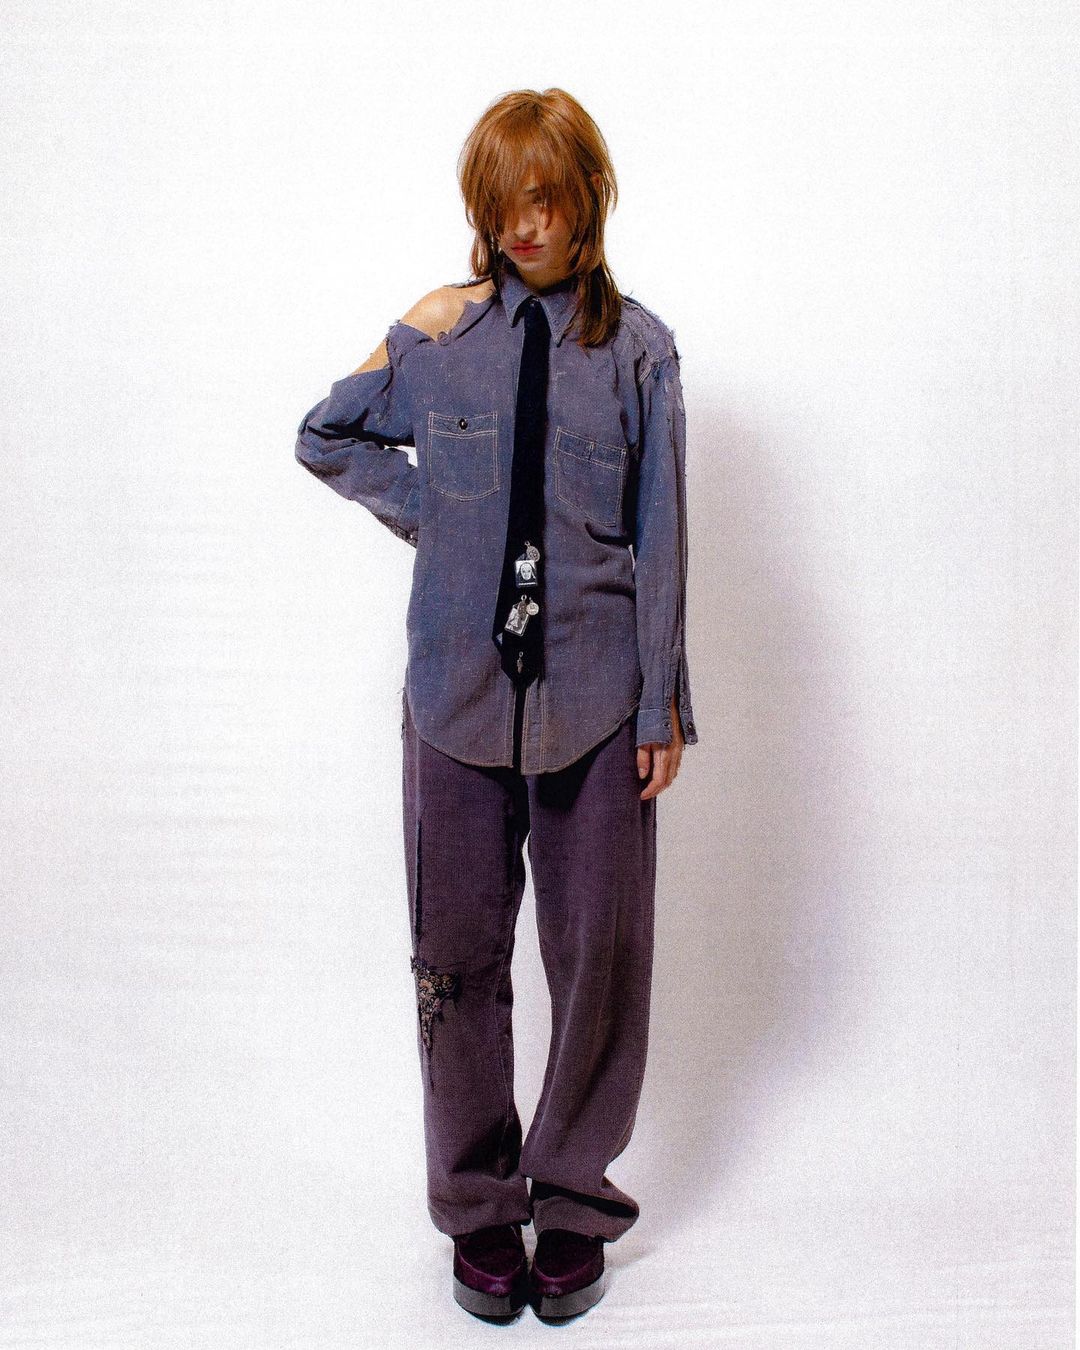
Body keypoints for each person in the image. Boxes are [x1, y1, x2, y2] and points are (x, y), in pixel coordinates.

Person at [294, 87, 699, 1323]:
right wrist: (444, 511)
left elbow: (662, 536)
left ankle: (571, 1199)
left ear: (587, 200)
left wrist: (661, 705)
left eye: (546, 199)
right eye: (502, 204)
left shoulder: (639, 352)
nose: (525, 225)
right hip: (454, 707)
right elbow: (326, 434)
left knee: (599, 961)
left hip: (596, 702)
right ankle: (477, 1206)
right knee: (456, 962)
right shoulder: (444, 340)